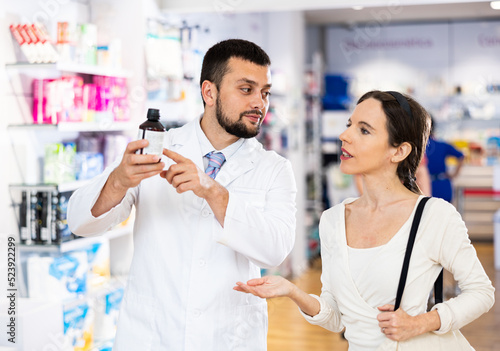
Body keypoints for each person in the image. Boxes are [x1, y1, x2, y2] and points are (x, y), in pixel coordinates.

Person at [67, 39, 297, 350]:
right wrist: (119, 181)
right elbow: (80, 222)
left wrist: (212, 190)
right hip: (153, 335)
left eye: (264, 92)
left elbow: (274, 251)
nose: (260, 103)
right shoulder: (158, 149)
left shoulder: (274, 169)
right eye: (246, 89)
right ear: (209, 92)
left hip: (228, 336)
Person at [234, 90, 494, 350]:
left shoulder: (433, 215)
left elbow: (481, 292)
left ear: (399, 151)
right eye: (349, 125)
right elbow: (336, 317)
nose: (344, 136)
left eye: (364, 130)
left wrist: (421, 322)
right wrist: (292, 291)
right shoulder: (332, 220)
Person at [425, 116, 464, 202]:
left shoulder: (416, 147)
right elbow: (461, 156)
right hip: (442, 185)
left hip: (426, 186)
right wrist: (454, 174)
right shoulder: (442, 145)